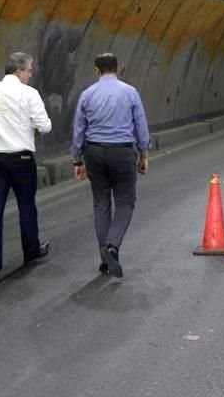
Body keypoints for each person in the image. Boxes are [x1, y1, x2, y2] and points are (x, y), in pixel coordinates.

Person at [0, 52, 52, 284]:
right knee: (26, 206)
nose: (31, 73)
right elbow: (44, 126)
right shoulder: (29, 93)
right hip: (22, 159)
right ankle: (31, 252)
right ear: (18, 70)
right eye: (29, 70)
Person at [71, 53, 150, 278]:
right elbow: (140, 125)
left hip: (94, 152)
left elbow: (79, 129)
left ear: (96, 70)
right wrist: (143, 153)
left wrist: (77, 158)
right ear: (118, 68)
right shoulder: (130, 92)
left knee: (101, 203)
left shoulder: (87, 94)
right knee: (125, 202)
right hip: (122, 151)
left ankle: (105, 261)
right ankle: (112, 246)